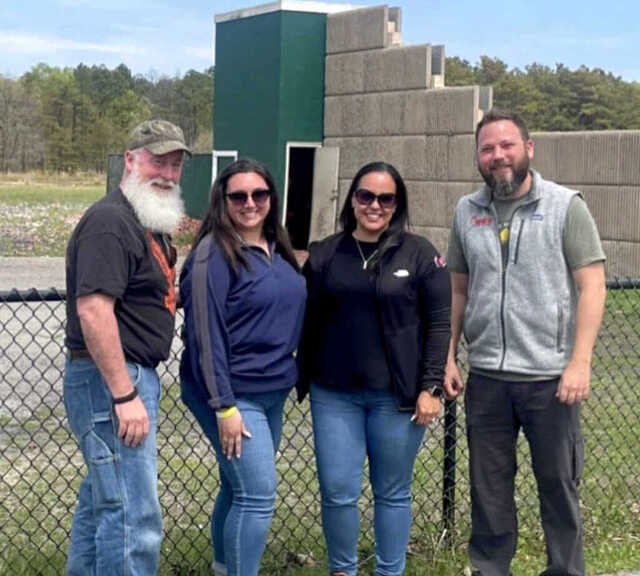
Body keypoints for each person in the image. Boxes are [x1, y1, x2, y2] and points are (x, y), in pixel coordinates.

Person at [444, 109, 606, 576]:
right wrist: (450, 356)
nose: (497, 156)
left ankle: (564, 571)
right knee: (488, 492)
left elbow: (592, 286)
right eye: (487, 148)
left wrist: (580, 362)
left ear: (528, 148)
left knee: (558, 487)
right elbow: (458, 289)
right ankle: (491, 569)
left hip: (550, 381)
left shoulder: (564, 206)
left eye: (506, 145)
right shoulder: (466, 211)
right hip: (488, 380)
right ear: (478, 156)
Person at [297, 161, 451, 576]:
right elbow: (302, 316)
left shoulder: (419, 253)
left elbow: (439, 324)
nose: (375, 205)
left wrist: (431, 387)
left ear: (396, 204)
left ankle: (389, 571)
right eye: (366, 196)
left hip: (396, 399)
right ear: (352, 198)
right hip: (334, 396)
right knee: (338, 492)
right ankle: (342, 569)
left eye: (386, 199)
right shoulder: (325, 253)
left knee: (393, 493)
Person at [63, 119, 191, 575]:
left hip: (126, 379)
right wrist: (124, 394)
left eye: (175, 164)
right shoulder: (109, 222)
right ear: (130, 159)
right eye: (158, 160)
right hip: (111, 383)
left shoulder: (143, 222)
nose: (168, 173)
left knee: (102, 502)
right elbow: (94, 312)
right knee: (133, 515)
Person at [179, 158, 306, 576]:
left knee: (238, 488)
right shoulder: (212, 255)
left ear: (271, 197)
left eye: (259, 194)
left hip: (272, 392)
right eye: (239, 195)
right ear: (222, 200)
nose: (250, 203)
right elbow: (205, 336)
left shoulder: (278, 247)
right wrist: (225, 407)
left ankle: (223, 567)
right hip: (233, 395)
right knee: (257, 495)